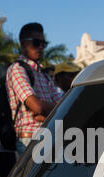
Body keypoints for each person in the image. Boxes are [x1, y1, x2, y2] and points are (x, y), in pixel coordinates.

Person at [6, 22, 63, 156]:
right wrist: (51, 110)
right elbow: (36, 105)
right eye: (36, 42)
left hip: (50, 134)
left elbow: (63, 105)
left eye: (44, 43)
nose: (41, 47)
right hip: (29, 139)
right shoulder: (17, 69)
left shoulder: (44, 74)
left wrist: (46, 113)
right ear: (22, 43)